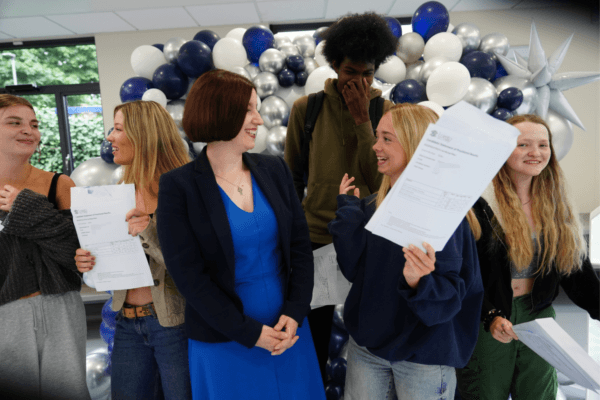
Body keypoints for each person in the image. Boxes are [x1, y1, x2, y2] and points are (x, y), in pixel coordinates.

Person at [155, 69, 324, 400]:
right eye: (248, 109)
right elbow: (190, 279)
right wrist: (250, 333)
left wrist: (295, 312)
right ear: (220, 111)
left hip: (288, 334)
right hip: (224, 342)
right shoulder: (179, 186)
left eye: (257, 108)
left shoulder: (274, 170)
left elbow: (301, 248)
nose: (258, 119)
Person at [328, 103, 484, 400]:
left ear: (417, 145)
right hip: (368, 351)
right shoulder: (373, 206)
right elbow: (354, 271)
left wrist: (420, 282)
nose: (376, 146)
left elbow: (452, 300)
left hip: (423, 357)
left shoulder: (447, 219)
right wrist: (348, 213)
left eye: (387, 138)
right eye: (377, 137)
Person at [284, 12, 399, 379]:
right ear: (335, 67)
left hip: (371, 238)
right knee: (313, 334)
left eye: (367, 73)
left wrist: (363, 119)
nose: (360, 81)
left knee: (373, 329)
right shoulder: (307, 109)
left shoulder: (385, 112)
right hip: (317, 236)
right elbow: (291, 177)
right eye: (351, 72)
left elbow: (380, 175)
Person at [456, 114, 600, 400]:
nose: (535, 153)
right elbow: (462, 273)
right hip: (489, 318)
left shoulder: (555, 203)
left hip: (538, 317)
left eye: (543, 145)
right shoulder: (478, 203)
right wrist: (491, 315)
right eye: (523, 144)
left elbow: (577, 275)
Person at [74, 100, 192, 400]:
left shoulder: (183, 189)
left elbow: (193, 266)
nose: (109, 138)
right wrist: (90, 260)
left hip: (175, 324)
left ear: (144, 134)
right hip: (126, 321)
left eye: (117, 129)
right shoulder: (121, 190)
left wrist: (148, 232)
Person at [0, 94, 90, 400]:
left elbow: (78, 255)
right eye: (14, 122)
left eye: (34, 124)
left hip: (61, 307)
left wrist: (25, 206)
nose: (29, 130)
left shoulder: (61, 185)